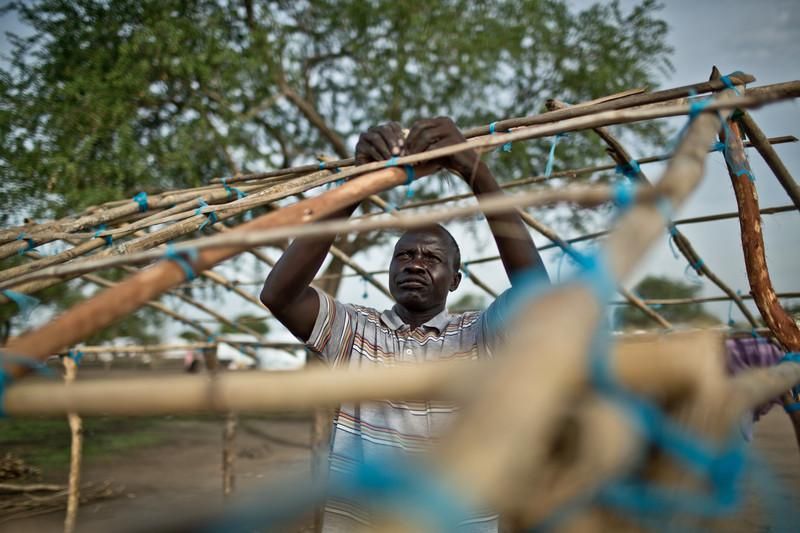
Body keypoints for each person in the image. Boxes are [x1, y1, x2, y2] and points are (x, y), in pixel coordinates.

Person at [260, 117, 548, 531]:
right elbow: (279, 295)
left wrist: (475, 171)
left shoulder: (481, 334)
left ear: (455, 280)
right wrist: (357, 185)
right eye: (404, 255)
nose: (415, 263)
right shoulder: (356, 331)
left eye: (431, 258)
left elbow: (537, 298)